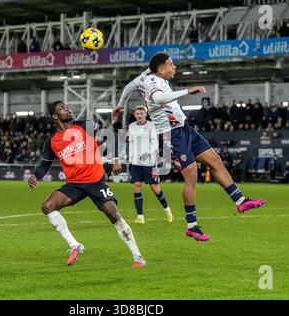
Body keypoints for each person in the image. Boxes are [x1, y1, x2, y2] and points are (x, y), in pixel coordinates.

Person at [112, 52, 266, 242]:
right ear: (161, 69)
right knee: (191, 174)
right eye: (171, 64)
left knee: (215, 160)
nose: (174, 67)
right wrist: (188, 91)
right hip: (170, 134)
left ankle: (241, 201)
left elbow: (128, 87)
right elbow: (160, 99)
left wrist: (120, 105)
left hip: (184, 129)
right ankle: (192, 226)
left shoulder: (146, 75)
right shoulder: (153, 83)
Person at [28, 101, 146, 268]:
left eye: (67, 106)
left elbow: (111, 137)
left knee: (113, 214)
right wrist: (35, 176)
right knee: (47, 206)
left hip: (95, 181)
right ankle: (74, 245)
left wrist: (114, 159)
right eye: (62, 108)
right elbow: (45, 164)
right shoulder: (52, 141)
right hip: (74, 185)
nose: (67, 109)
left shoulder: (84, 125)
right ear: (55, 116)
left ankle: (138, 257)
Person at [128, 106, 173, 224]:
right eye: (137, 113)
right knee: (137, 185)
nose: (139, 115)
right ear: (134, 115)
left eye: (141, 113)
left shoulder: (151, 126)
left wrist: (147, 154)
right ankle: (140, 217)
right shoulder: (132, 126)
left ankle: (167, 209)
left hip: (149, 162)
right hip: (136, 162)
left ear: (146, 114)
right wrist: (131, 158)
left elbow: (155, 143)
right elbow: (131, 143)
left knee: (154, 188)